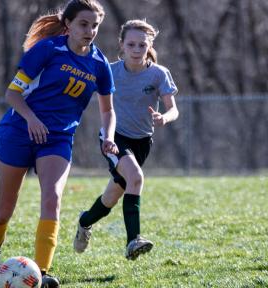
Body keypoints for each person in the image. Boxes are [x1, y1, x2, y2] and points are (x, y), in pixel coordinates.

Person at [0, 1, 118, 286]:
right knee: (3, 210)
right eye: (83, 24)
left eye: (95, 25)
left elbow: (107, 110)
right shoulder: (47, 50)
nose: (90, 30)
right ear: (67, 24)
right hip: (19, 130)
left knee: (53, 198)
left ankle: (41, 274)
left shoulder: (99, 64)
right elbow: (13, 94)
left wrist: (110, 136)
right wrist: (31, 119)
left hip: (57, 139)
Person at [73, 19, 179, 261]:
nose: (137, 49)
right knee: (136, 178)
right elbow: (81, 91)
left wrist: (165, 117)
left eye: (142, 45)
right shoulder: (109, 71)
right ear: (121, 45)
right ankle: (134, 240)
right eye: (131, 44)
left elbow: (174, 109)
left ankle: (84, 221)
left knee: (112, 196)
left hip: (142, 142)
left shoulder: (159, 74)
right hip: (114, 137)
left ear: (149, 45)